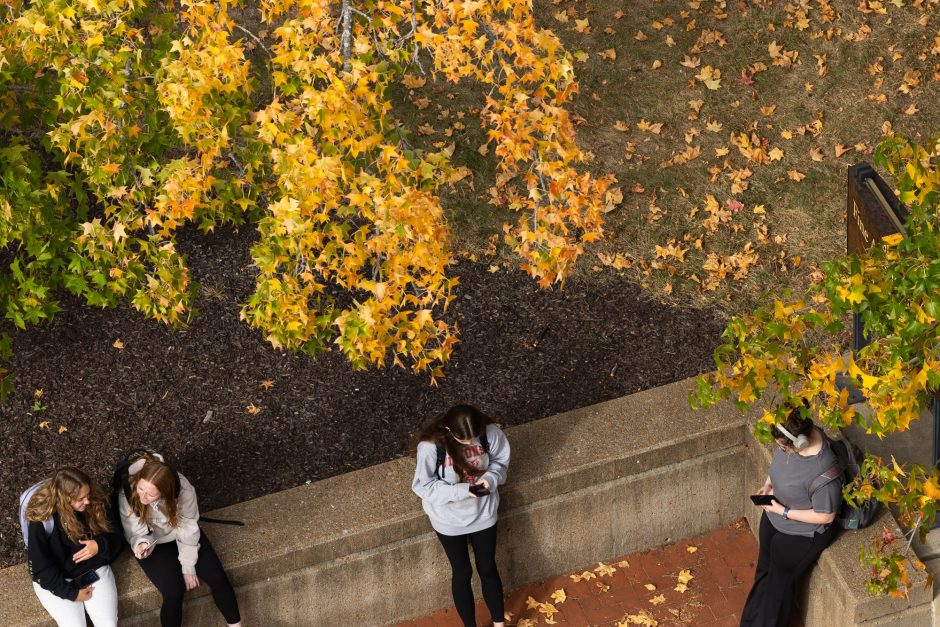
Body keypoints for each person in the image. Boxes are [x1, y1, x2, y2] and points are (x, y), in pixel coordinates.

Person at [740, 405, 843, 627]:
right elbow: (779, 468)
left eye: (782, 447)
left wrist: (784, 512)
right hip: (775, 515)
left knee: (778, 587)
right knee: (764, 571)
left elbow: (826, 516)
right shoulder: (791, 438)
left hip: (802, 533)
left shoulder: (825, 471)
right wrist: (768, 485)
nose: (780, 449)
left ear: (800, 443)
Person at [411, 404, 511, 627]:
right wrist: (463, 491)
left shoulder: (490, 433)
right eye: (464, 440)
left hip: (484, 513)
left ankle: (498, 623)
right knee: (462, 572)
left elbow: (500, 462)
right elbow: (423, 486)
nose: (470, 443)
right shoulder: (430, 447)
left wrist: (492, 479)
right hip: (448, 520)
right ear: (448, 429)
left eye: (474, 439)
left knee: (487, 567)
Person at [117, 453, 242, 627]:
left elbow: (188, 526)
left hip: (182, 533)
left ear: (165, 493)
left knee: (217, 577)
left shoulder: (182, 488)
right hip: (154, 542)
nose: (143, 497)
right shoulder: (128, 493)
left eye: (151, 494)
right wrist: (142, 544)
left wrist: (188, 566)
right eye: (141, 489)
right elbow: (135, 531)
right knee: (173, 592)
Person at [25, 467, 122, 627]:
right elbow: (40, 568)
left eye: (88, 494)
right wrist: (72, 593)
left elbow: (117, 537)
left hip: (92, 570)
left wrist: (100, 545)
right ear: (65, 499)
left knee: (108, 624)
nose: (88, 501)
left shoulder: (95, 502)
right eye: (81, 498)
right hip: (58, 579)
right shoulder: (41, 519)